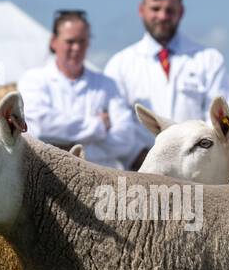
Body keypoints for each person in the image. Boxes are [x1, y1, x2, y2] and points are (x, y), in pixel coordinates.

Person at [103, 0, 229, 166]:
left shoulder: (209, 59)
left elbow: (222, 118)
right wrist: (147, 159)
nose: (162, 16)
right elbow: (118, 124)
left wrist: (195, 154)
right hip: (138, 172)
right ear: (141, 10)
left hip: (199, 170)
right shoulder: (120, 64)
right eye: (155, 9)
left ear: (181, 12)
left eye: (169, 10)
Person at [16, 10, 141, 168]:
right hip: (51, 179)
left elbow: (125, 139)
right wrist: (99, 126)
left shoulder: (107, 84)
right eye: (70, 41)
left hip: (100, 181)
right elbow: (41, 127)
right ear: (54, 41)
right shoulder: (33, 80)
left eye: (82, 41)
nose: (76, 47)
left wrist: (68, 149)